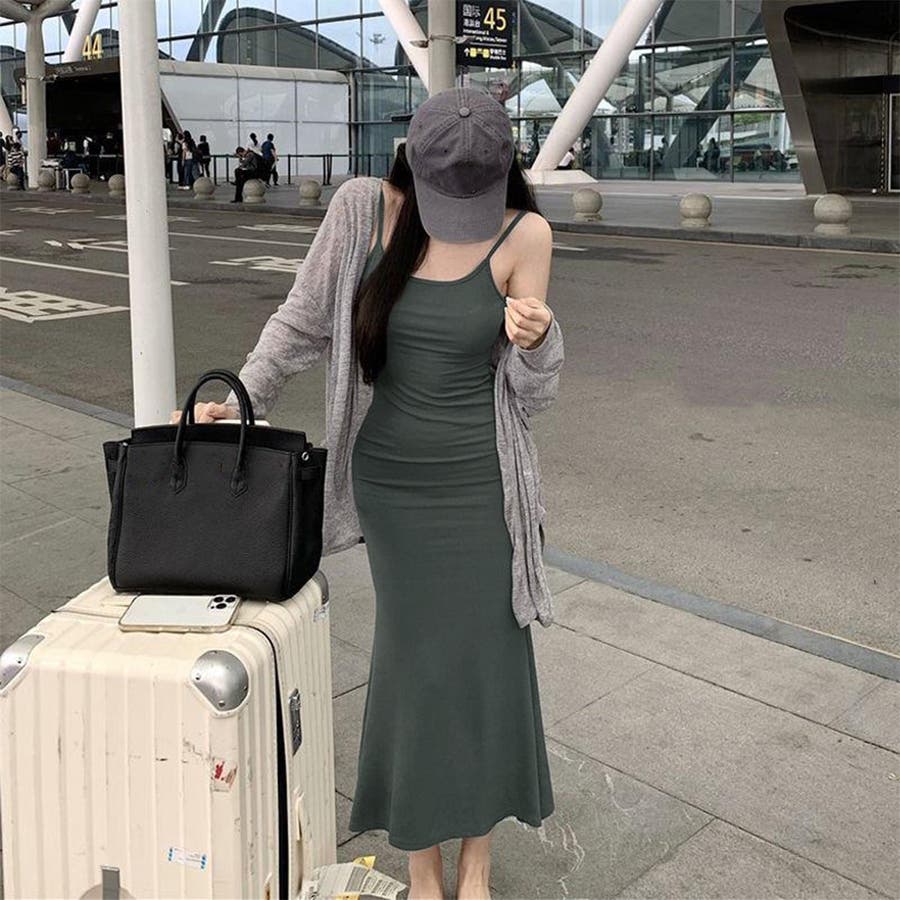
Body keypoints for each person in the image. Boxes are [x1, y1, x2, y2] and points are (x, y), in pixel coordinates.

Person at [171, 86, 561, 899]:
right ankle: (421, 863)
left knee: (486, 660)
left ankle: (477, 859)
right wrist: (242, 397)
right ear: (412, 163)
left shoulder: (527, 234)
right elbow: (301, 322)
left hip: (482, 483)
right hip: (392, 482)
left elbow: (532, 395)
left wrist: (539, 341)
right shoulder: (361, 211)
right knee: (416, 664)